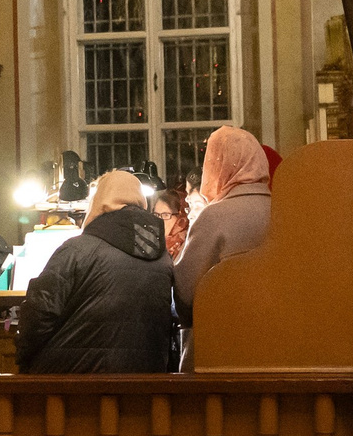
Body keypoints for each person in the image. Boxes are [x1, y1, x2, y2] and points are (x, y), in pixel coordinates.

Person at [16, 171, 176, 374]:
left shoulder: (77, 250)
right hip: (144, 387)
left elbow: (38, 312)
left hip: (72, 385)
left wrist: (24, 360)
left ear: (98, 201)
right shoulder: (163, 258)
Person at [175, 127, 274, 369]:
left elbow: (186, 295)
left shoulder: (214, 217)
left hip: (219, 350)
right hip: (274, 348)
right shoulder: (284, 210)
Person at [152, 187, 189, 260]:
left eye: (166, 215)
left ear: (180, 218)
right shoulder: (148, 244)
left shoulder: (188, 247)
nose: (159, 220)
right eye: (156, 215)